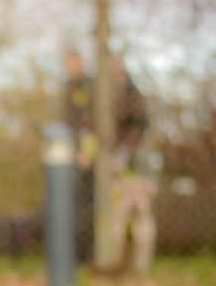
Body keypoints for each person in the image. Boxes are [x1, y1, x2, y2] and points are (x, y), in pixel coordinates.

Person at [109, 57, 156, 274]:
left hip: (133, 169)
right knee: (121, 216)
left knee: (137, 216)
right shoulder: (111, 96)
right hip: (124, 167)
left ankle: (139, 265)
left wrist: (124, 156)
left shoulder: (130, 97)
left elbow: (137, 130)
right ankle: (120, 261)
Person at [63, 50, 98, 262]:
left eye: (71, 63)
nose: (68, 69)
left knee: (87, 206)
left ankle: (87, 255)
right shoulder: (69, 87)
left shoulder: (90, 87)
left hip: (87, 156)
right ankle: (75, 254)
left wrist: (87, 153)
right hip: (73, 153)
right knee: (74, 205)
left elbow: (91, 125)